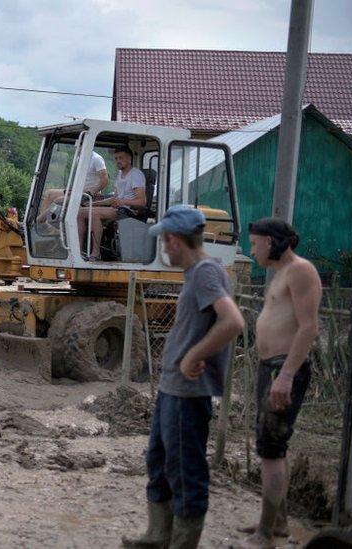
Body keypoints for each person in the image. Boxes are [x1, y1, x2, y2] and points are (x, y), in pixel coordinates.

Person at [122, 205, 244, 548]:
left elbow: (233, 322)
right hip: (173, 389)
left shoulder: (206, 272)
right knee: (159, 460)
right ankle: (157, 535)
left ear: (176, 240)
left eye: (164, 241)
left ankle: (181, 542)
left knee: (184, 470)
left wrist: (194, 354)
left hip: (188, 394)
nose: (162, 249)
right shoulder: (196, 274)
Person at [237, 219, 321, 549]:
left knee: (271, 451)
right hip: (271, 368)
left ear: (272, 242)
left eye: (256, 244)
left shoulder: (301, 271)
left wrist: (286, 375)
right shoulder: (281, 273)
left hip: (283, 371)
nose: (252, 250)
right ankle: (278, 522)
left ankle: (266, 535)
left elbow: (308, 328)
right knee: (271, 448)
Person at [78, 147, 146, 260]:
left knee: (94, 214)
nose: (118, 161)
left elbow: (142, 202)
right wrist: (93, 203)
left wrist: (122, 201)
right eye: (116, 158)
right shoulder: (120, 174)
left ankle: (95, 254)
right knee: (79, 212)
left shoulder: (136, 175)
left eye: (121, 158)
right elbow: (114, 198)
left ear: (129, 159)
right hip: (117, 208)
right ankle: (79, 251)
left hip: (128, 211)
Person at [35, 150, 109, 223]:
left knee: (59, 200)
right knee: (49, 194)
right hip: (78, 192)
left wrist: (91, 192)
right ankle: (44, 225)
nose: (77, 146)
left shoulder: (96, 158)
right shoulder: (79, 158)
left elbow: (105, 179)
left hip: (89, 195)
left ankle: (39, 223)